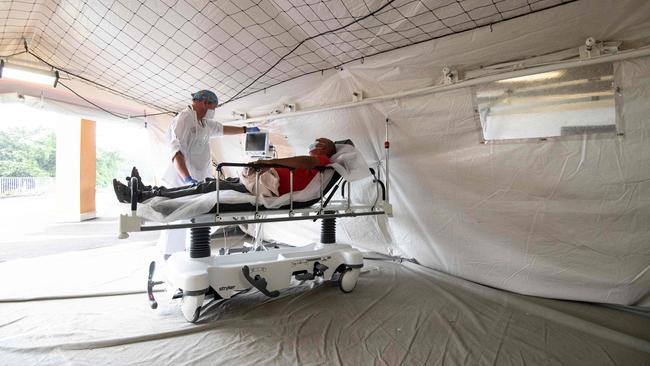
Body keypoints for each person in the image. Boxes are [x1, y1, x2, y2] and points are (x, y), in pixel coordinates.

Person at [157, 89, 256, 257]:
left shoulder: (204, 122)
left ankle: (189, 253)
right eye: (214, 107)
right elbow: (176, 152)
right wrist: (187, 178)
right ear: (204, 102)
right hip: (181, 179)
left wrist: (246, 130)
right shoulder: (184, 119)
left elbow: (222, 129)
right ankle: (169, 256)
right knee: (178, 220)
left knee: (195, 219)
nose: (214, 111)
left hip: (199, 178)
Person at [113, 138, 337, 203]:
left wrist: (270, 164)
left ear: (326, 150)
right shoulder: (311, 161)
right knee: (208, 185)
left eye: (320, 143)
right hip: (262, 184)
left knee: (208, 186)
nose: (314, 145)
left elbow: (306, 162)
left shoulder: (322, 160)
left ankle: (144, 195)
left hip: (266, 189)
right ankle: (148, 192)